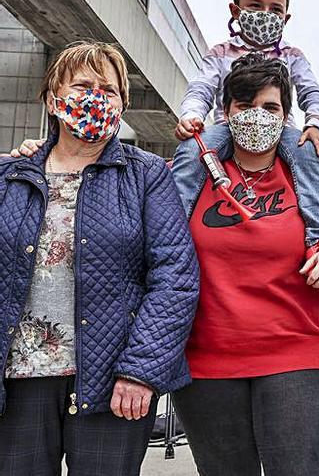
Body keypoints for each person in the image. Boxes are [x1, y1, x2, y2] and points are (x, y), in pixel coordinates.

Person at [169, 53, 319, 476]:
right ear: (224, 112)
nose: (257, 117)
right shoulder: (188, 174)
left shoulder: (312, 176)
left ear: (287, 114)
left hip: (297, 358)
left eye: (270, 107)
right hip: (207, 365)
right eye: (244, 106)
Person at [0, 41, 199, 475]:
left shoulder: (147, 175)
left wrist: (141, 371)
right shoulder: (9, 175)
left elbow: (175, 276)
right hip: (18, 381)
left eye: (108, 90)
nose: (95, 97)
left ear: (123, 102)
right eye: (82, 85)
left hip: (114, 381)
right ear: (55, 99)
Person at [176, 0, 319, 253]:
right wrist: (192, 116)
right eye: (255, 5)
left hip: (280, 130)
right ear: (236, 10)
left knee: (309, 151)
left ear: (285, 18)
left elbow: (312, 91)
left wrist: (315, 124)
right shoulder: (221, 52)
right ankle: (172, 232)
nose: (266, 13)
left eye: (275, 9)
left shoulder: (292, 55)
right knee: (192, 149)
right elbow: (201, 87)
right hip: (228, 127)